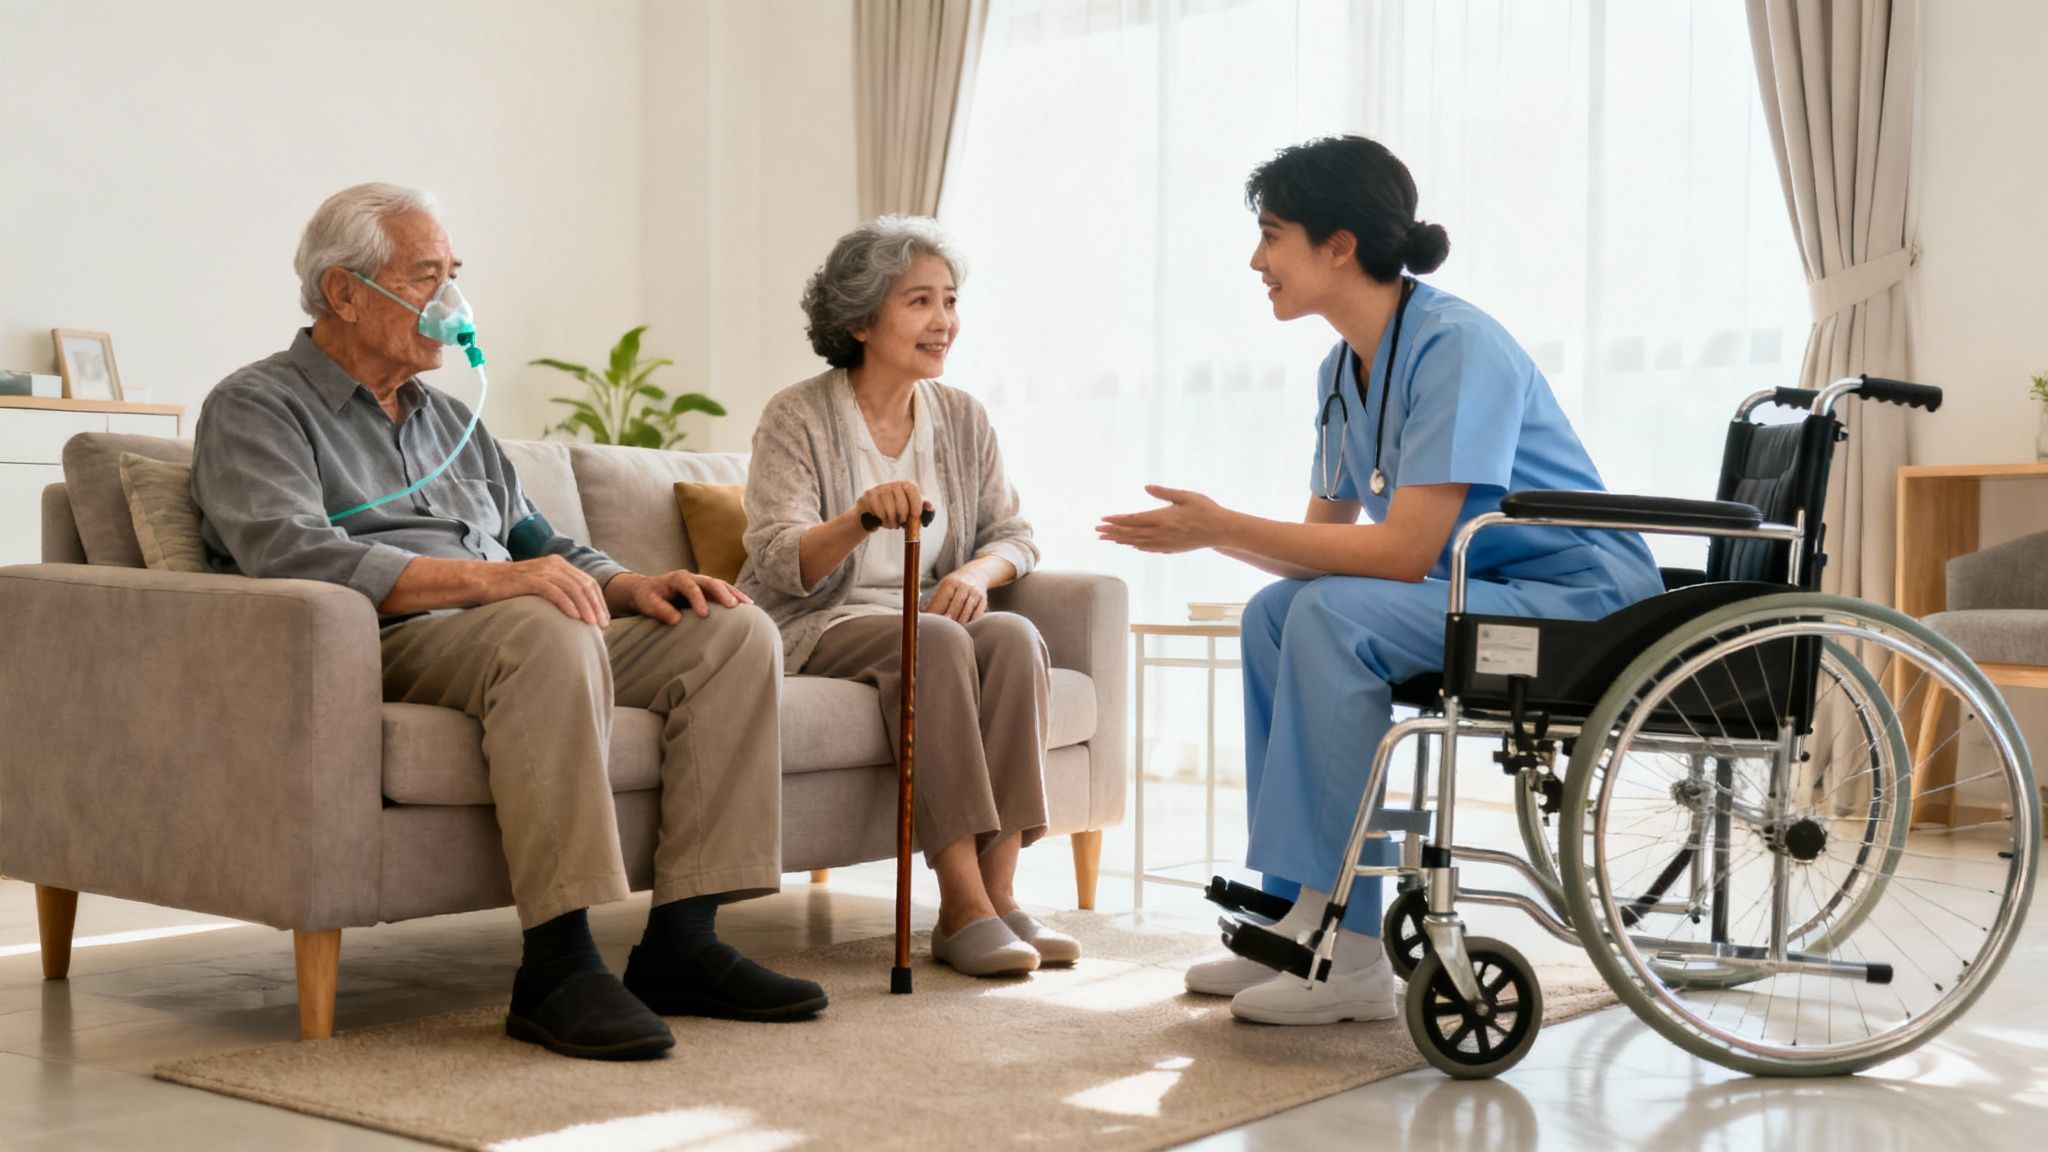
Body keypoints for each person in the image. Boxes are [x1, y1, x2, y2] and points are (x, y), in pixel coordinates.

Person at [190, 183, 825, 1062]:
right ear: (343, 292)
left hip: (511, 625)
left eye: (454, 275)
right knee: (543, 626)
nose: (451, 301)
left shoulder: (452, 420)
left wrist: (634, 585)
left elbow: (541, 541)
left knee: (728, 631)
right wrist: (494, 583)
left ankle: (684, 942)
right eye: (425, 277)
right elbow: (289, 554)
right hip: (385, 638)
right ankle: (557, 967)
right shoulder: (257, 407)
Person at [1098, 136, 1663, 1025]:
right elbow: (1322, 548)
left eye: (1271, 236)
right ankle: (1301, 912)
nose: (1257, 260)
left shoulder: (1457, 347)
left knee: (1322, 616)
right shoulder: (1342, 370)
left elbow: (1401, 554)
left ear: (1338, 246)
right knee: (1276, 616)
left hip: (1576, 606)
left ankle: (1352, 952)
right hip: (1478, 593)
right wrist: (1210, 539)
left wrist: (1220, 525)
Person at [740, 215, 1079, 977]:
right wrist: (859, 518)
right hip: (820, 618)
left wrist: (971, 576)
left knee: (1016, 638)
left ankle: (1000, 894)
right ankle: (958, 902)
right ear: (861, 319)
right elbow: (775, 559)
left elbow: (1014, 535)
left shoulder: (962, 418)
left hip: (932, 613)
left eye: (950, 300)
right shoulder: (795, 415)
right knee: (941, 640)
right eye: (920, 301)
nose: (944, 321)